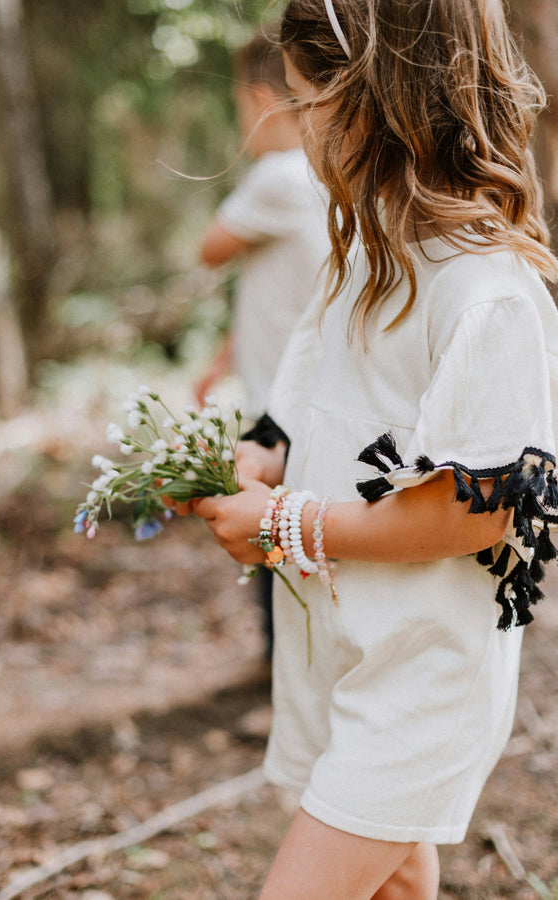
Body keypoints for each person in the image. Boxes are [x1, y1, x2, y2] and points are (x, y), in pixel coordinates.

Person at [172, 1, 558, 896]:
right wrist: (255, 462)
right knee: (391, 883)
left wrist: (286, 525)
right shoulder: (363, 258)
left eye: (309, 107)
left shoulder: (484, 292)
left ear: (380, 99)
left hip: (422, 676)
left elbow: (478, 509)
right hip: (340, 646)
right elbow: (301, 401)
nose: (300, 134)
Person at [195, 27, 330, 659]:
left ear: (257, 100)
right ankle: (284, 668)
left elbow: (210, 247)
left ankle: (284, 673)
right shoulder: (320, 177)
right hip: (301, 386)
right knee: (286, 529)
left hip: (282, 395)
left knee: (270, 532)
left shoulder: (278, 175)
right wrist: (222, 357)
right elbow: (277, 286)